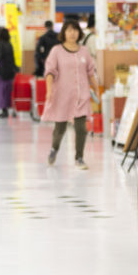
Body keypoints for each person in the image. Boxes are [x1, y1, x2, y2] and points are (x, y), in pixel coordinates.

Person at [42, 19, 98, 170]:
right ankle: (54, 149)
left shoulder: (84, 51)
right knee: (60, 128)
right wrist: (48, 91)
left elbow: (90, 72)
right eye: (69, 30)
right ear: (64, 33)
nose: (72, 33)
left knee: (81, 129)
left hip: (82, 96)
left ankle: (79, 157)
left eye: (75, 30)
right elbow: (50, 72)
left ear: (79, 33)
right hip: (62, 96)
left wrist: (96, 88)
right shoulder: (57, 51)